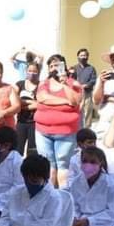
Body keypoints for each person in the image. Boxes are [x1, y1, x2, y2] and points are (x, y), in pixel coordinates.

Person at [35, 53, 82, 187]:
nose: (54, 68)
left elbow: (75, 101)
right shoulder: (44, 84)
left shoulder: (74, 83)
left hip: (65, 132)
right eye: (51, 66)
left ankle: (63, 197)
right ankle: (51, 195)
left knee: (63, 164)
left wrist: (64, 85)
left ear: (64, 66)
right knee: (48, 164)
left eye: (57, 65)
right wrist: (64, 101)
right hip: (43, 131)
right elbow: (42, 98)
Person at [15, 61, 40, 156]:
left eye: (34, 71)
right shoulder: (19, 84)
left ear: (38, 72)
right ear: (26, 71)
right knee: (18, 150)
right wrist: (31, 102)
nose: (32, 73)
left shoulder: (41, 85)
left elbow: (41, 104)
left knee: (32, 151)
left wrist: (23, 104)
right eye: (29, 70)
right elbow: (15, 102)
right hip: (21, 122)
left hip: (35, 123)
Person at [73, 48, 98, 129]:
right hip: (76, 94)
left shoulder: (91, 68)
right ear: (77, 56)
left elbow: (94, 80)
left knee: (87, 113)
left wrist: (86, 85)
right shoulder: (74, 68)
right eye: (81, 55)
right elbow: (71, 79)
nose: (83, 57)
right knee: (76, 111)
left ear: (87, 57)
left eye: (85, 55)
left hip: (87, 94)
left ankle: (87, 130)